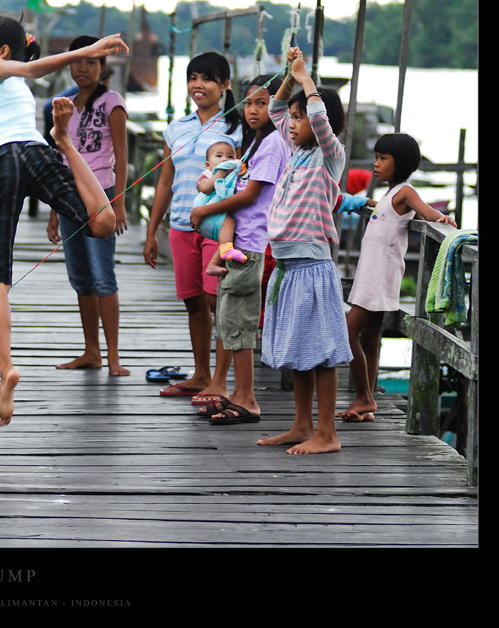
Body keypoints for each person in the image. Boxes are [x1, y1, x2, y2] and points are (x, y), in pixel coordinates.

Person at [0, 7, 127, 426]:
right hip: (35, 153)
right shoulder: (16, 88)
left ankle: (7, 370)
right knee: (103, 224)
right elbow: (13, 155)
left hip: (1, 161)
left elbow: (2, 157)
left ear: (0, 51)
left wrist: (88, 49)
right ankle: (66, 142)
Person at [257, 47, 351, 454]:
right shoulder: (296, 153)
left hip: (312, 265)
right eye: (293, 120)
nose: (292, 124)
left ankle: (327, 433)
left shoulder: (330, 157)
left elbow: (317, 119)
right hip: (287, 265)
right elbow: (276, 108)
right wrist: (290, 80)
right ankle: (301, 425)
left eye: (301, 118)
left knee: (322, 353)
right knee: (299, 350)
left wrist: (308, 81)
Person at [189, 76, 291, 422]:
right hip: (241, 242)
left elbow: (249, 195)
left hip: (251, 245)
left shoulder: (275, 142)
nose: (252, 110)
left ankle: (246, 398)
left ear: (278, 108)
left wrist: (205, 210)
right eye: (248, 103)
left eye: (262, 103)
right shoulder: (256, 143)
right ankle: (237, 392)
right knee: (231, 320)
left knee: (240, 323)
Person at [142, 52, 242, 397]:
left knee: (221, 302)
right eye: (193, 78)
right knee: (194, 301)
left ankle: (220, 381)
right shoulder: (177, 128)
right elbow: (165, 181)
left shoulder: (236, 128)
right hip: (181, 225)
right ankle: (201, 374)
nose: (198, 86)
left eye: (207, 79)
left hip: (219, 226)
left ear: (225, 85)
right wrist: (152, 230)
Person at [339, 133, 457, 422]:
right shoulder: (389, 194)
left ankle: (365, 396)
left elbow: (427, 212)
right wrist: (360, 201)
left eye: (383, 159)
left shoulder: (405, 191)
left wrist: (442, 219)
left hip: (379, 274)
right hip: (372, 270)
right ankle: (366, 403)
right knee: (369, 338)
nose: (375, 165)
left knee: (346, 332)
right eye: (376, 158)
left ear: (400, 163)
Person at [46, 35, 130, 377]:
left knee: (102, 275)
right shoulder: (63, 102)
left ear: (102, 66)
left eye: (91, 62)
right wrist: (53, 211)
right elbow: (58, 157)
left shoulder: (112, 102)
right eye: (78, 61)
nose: (83, 68)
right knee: (80, 276)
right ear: (69, 63)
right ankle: (91, 351)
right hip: (68, 195)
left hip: (102, 194)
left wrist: (120, 203)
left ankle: (112, 355)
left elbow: (122, 157)